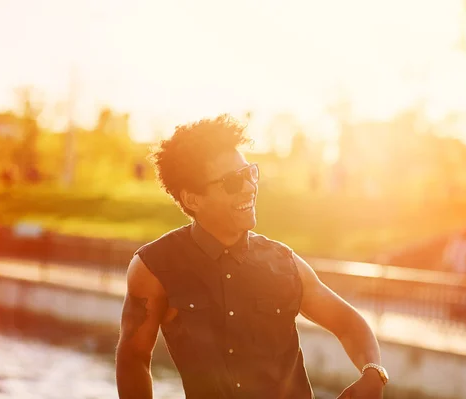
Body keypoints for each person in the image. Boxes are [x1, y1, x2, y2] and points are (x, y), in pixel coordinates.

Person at [115, 115, 388, 399]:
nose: (249, 187)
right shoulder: (155, 267)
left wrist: (373, 372)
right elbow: (133, 357)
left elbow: (348, 323)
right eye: (233, 182)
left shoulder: (285, 263)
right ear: (193, 199)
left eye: (250, 173)